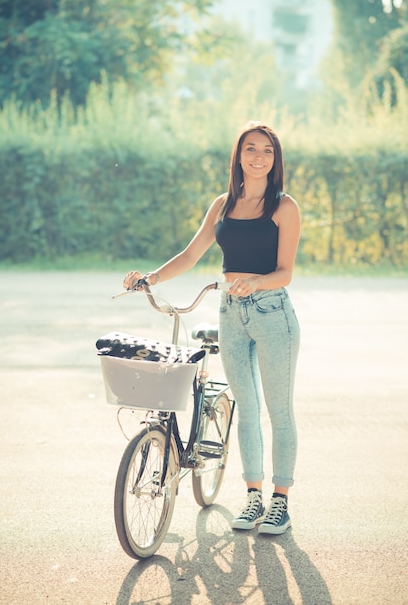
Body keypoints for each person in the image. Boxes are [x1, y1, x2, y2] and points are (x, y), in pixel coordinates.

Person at [123, 121, 301, 535]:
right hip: (230, 312)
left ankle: (280, 502)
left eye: (267, 151)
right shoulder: (223, 204)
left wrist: (257, 281)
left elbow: (286, 272)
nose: (258, 157)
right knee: (247, 409)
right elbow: (190, 254)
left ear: (275, 160)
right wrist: (150, 277)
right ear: (238, 156)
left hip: (273, 311)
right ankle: (253, 498)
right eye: (250, 149)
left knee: (278, 410)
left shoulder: (283, 206)